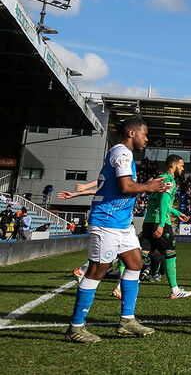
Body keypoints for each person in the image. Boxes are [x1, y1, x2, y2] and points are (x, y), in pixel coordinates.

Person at [66, 116, 171, 343]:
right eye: (144, 134)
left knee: (135, 264)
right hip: (107, 222)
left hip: (121, 224)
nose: (146, 139)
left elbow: (126, 186)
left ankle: (126, 321)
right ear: (132, 133)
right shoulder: (122, 153)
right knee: (97, 270)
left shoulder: (124, 155)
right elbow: (125, 187)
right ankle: (75, 327)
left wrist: (150, 185)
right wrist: (150, 186)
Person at [140, 154, 191, 299]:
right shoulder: (169, 180)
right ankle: (175, 290)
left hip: (149, 221)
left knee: (143, 254)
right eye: (181, 165)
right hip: (160, 222)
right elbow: (163, 203)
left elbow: (160, 203)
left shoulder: (159, 179)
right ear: (173, 165)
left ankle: (121, 286)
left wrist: (177, 212)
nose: (183, 168)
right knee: (170, 254)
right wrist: (162, 224)